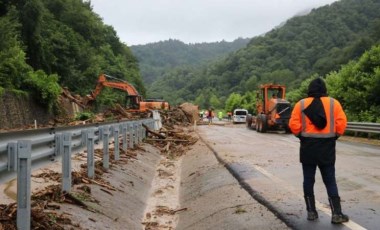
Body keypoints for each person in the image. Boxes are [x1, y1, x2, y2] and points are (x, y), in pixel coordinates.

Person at [289, 78, 349, 224]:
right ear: (324, 89)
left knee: (308, 180)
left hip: (308, 147)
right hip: (327, 148)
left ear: (309, 89)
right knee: (330, 180)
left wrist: (301, 136)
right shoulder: (334, 103)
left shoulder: (301, 104)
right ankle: (337, 214)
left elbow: (293, 124)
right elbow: (341, 124)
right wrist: (334, 136)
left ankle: (311, 212)